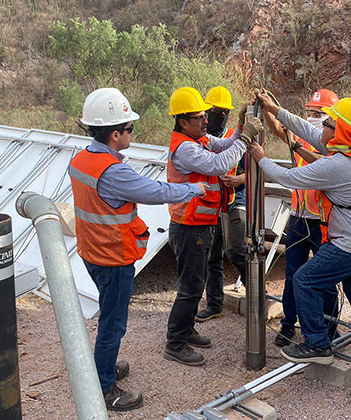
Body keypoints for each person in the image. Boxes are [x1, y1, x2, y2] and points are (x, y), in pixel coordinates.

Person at [69, 88, 208, 411]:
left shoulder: (82, 159)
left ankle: (102, 367)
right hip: (113, 256)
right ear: (115, 134)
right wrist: (193, 187)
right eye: (129, 128)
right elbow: (155, 191)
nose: (133, 132)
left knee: (109, 317)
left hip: (91, 251)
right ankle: (103, 388)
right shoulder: (114, 171)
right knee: (113, 324)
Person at [249, 95, 351, 380]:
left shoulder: (336, 165)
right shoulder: (350, 150)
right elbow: (306, 129)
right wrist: (276, 110)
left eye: (326, 122)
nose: (320, 127)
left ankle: (317, 344)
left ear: (339, 131)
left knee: (304, 279)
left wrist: (261, 159)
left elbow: (289, 178)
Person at [164, 86, 262, 366]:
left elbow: (223, 146)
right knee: (191, 287)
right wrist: (244, 137)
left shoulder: (198, 139)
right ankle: (175, 343)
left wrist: (241, 127)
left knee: (194, 281)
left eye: (207, 115)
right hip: (189, 225)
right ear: (184, 122)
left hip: (198, 223)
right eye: (200, 117)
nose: (206, 120)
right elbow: (220, 164)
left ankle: (185, 330)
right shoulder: (184, 149)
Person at [259, 89, 341, 347]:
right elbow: (280, 130)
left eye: (319, 114)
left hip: (323, 221)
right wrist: (267, 109)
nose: (313, 118)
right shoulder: (304, 138)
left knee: (326, 279)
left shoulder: (335, 148)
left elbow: (316, 161)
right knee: (293, 275)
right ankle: (288, 325)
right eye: (310, 113)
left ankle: (329, 327)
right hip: (297, 218)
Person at [196, 86, 248, 322]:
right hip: (212, 203)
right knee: (211, 256)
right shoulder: (202, 140)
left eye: (225, 111)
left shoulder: (234, 139)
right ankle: (215, 303)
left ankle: (256, 295)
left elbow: (258, 170)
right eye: (216, 110)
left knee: (236, 250)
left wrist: (239, 179)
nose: (221, 115)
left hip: (235, 200)